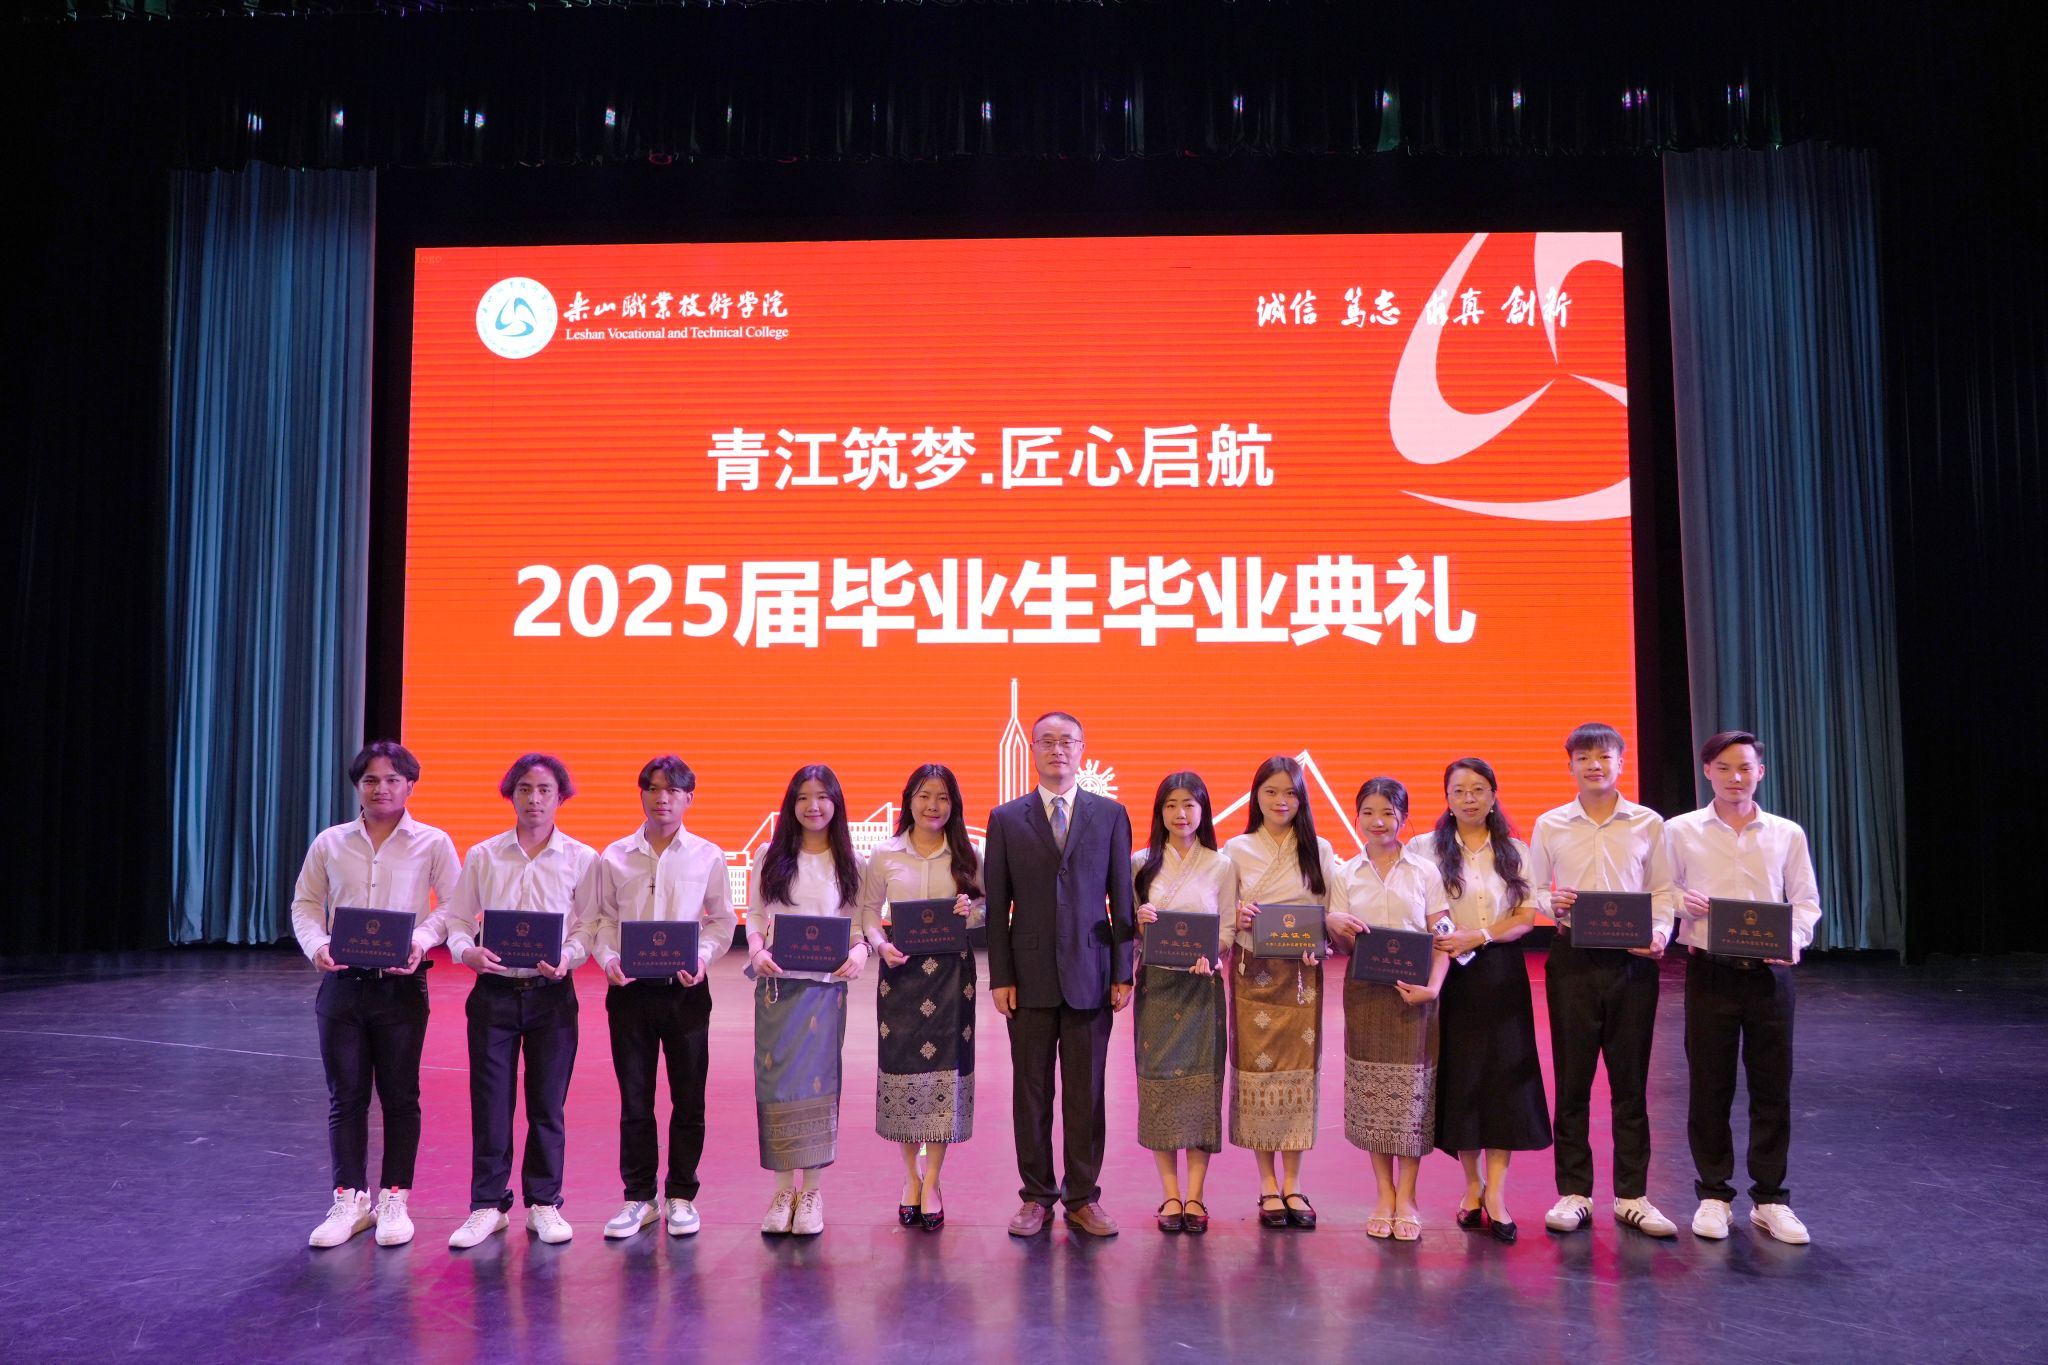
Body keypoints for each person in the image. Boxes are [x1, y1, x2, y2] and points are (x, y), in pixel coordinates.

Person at [291, 740, 460, 1249]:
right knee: (346, 1097)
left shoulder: (433, 842)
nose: (381, 788)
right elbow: (306, 903)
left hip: (401, 987)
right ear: (357, 787)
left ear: (410, 785)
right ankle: (349, 1199)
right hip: (342, 986)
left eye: (392, 780)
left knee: (401, 1097)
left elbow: (453, 906)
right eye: (370, 780)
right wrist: (317, 945)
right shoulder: (330, 842)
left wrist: (422, 939)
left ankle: (394, 1199)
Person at [984, 710, 1135, 1239]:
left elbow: (1123, 901)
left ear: (1082, 749)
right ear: (1032, 749)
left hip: (1092, 974)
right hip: (1027, 978)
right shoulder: (1006, 819)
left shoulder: (1110, 815)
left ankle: (1083, 1197)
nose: (1057, 750)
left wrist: (1123, 971)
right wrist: (1000, 976)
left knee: (1086, 1093)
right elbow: (998, 905)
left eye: (1067, 741)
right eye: (1046, 741)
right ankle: (1035, 1197)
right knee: (1030, 1093)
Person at [1666, 730, 1821, 1245]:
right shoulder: (1680, 831)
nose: (1736, 777)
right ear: (1707, 772)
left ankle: (1771, 1200)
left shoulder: (1786, 833)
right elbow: (1662, 892)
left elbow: (1805, 903)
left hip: (1770, 975)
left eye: (1745, 768)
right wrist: (1680, 904)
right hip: (1709, 971)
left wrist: (1793, 941)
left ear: (1761, 773)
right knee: (1709, 1086)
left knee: (1771, 1087)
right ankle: (1713, 1195)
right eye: (1725, 768)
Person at [573, 756, 738, 1241]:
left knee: (689, 1100)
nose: (662, 798)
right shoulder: (614, 856)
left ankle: (682, 1195)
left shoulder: (707, 855)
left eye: (673, 790)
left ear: (689, 798)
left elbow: (722, 920)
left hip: (686, 992)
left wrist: (703, 957)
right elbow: (602, 920)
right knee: (635, 1100)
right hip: (629, 993)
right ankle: (639, 1198)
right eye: (653, 788)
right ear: (642, 794)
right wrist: (608, 959)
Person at [1529, 723, 1682, 1239]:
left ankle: (1632, 1195)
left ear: (1621, 762)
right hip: (1572, 958)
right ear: (1570, 764)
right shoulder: (1551, 824)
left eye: (1604, 756)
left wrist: (1659, 934)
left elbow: (1663, 891)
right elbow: (1532, 889)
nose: (1594, 765)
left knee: (1630, 1082)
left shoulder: (1648, 823)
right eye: (1584, 757)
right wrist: (1553, 903)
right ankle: (1574, 1192)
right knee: (1572, 1080)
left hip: (1632, 963)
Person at [437, 753, 595, 1250]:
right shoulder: (484, 855)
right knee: (490, 1103)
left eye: (545, 790)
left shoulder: (582, 859)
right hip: (494, 994)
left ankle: (544, 1203)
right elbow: (458, 919)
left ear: (560, 796)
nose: (534, 799)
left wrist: (568, 956)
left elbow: (589, 926)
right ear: (511, 794)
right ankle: (487, 1205)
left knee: (548, 1104)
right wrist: (467, 952)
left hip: (552, 996)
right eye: (525, 788)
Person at [1421, 757, 1551, 1246]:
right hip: (1448, 970)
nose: (1469, 798)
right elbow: (1420, 906)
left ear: (1494, 796)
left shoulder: (1515, 850)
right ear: (1447, 799)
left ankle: (1496, 1193)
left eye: (1478, 789)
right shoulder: (1425, 849)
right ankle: (1471, 1184)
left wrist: (1478, 936)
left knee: (1502, 1082)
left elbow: (1524, 917)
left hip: (1500, 972)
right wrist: (1452, 939)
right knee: (1463, 1079)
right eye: (1459, 790)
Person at [857, 764, 983, 1232]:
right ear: (908, 799)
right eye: (925, 795)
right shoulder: (884, 853)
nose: (933, 805)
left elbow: (986, 906)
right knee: (905, 1073)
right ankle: (910, 1177)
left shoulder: (968, 852)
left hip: (952, 979)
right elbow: (868, 911)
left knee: (945, 1075)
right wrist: (879, 944)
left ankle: (933, 1181)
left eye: (943, 797)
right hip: (901, 975)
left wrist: (970, 910)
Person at [1327, 777, 1451, 1242]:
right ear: (1357, 816)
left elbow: (1442, 936)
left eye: (1388, 813)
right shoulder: (1345, 874)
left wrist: (1433, 988)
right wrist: (1335, 926)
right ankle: (1384, 1194)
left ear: (1403, 817)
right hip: (1365, 995)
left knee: (1411, 1097)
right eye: (1368, 812)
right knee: (1372, 1096)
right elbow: (1344, 946)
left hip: (1414, 995)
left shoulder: (1425, 871)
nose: (1378, 822)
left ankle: (1409, 1198)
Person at [746, 764, 869, 1237]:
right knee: (777, 1085)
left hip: (825, 990)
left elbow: (857, 927)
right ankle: (783, 1191)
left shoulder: (852, 861)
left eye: (822, 796)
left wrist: (859, 952)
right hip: (777, 988)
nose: (812, 806)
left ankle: (812, 1190)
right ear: (791, 804)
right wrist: (756, 950)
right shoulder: (770, 854)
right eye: (802, 797)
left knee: (819, 1088)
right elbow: (756, 915)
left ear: (836, 802)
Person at [1223, 755, 1341, 1231]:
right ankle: (1267, 1184)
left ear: (1302, 799)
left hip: (1301, 977)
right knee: (1258, 1075)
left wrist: (1322, 941)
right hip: (1252, 971)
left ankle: (1294, 1183)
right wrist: (1238, 915)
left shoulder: (1319, 849)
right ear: (1256, 796)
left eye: (1290, 793)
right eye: (1271, 791)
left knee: (1298, 1075)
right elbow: (1223, 911)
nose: (1280, 801)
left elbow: (1331, 912)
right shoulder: (1236, 848)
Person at [1129, 772, 1237, 1235]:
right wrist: (1138, 919)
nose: (1180, 813)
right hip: (1157, 987)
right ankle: (1170, 1194)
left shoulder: (1221, 864)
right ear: (1160, 812)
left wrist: (1214, 953)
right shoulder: (1141, 862)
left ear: (1203, 810)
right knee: (1158, 1087)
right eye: (1171, 804)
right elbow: (1132, 928)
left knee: (1200, 1090)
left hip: (1201, 989)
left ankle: (1195, 1195)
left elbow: (1227, 927)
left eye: (1190, 804)